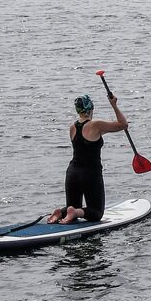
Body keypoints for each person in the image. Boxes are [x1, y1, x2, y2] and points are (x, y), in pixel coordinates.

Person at [47, 90, 127, 224]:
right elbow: (123, 124)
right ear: (91, 108)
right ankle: (75, 212)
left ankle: (62, 212)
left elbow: (91, 138)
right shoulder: (96, 125)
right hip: (90, 173)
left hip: (72, 173)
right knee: (96, 212)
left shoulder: (72, 128)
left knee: (72, 207)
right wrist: (114, 105)